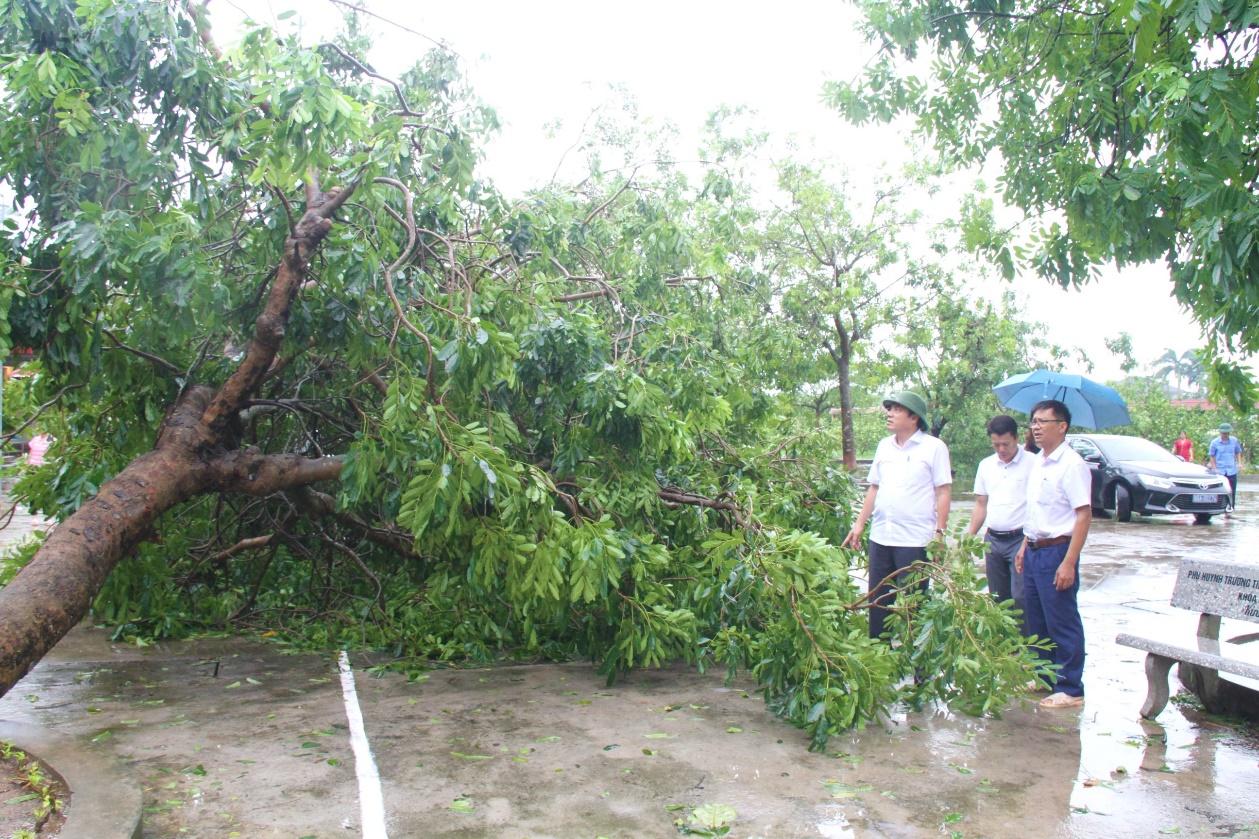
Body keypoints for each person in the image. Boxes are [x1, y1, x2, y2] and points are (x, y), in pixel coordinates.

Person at [843, 391, 952, 640]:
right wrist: (859, 524)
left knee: (917, 607)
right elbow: (874, 487)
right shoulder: (884, 446)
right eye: (889, 408)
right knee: (878, 603)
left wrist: (939, 533)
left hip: (915, 541)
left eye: (896, 410)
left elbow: (943, 492)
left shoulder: (934, 448)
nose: (889, 414)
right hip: (881, 537)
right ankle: (880, 664)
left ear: (914, 417)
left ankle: (921, 672)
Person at [1016, 399, 1092, 709]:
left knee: (1062, 620)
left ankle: (1071, 687)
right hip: (1035, 549)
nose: (1035, 427)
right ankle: (1045, 676)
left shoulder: (1071, 464)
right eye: (1033, 421)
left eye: (1043, 421)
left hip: (1058, 551)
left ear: (1062, 427)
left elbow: (1083, 515)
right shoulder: (1039, 462)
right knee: (1038, 620)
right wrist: (1024, 545)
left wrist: (1069, 562)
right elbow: (1036, 512)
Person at [967, 415, 1034, 633]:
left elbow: (1038, 507)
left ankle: (1027, 648)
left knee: (1021, 597)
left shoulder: (1034, 464)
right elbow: (981, 504)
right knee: (997, 597)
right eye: (996, 445)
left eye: (1006, 444)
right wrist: (969, 537)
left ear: (1016, 438)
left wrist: (1027, 540)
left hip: (1020, 539)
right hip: (993, 539)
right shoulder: (986, 465)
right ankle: (1004, 648)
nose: (1001, 449)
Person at [1208, 423, 1243, 515]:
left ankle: (1230, 509)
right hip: (1220, 471)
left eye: (1227, 433)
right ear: (1220, 433)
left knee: (1232, 490)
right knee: (1219, 491)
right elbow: (1212, 456)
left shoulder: (1234, 441)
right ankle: (1218, 508)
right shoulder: (1215, 443)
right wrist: (1215, 469)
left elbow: (1238, 452)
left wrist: (1240, 463)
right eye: (1223, 433)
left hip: (1231, 470)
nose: (1225, 435)